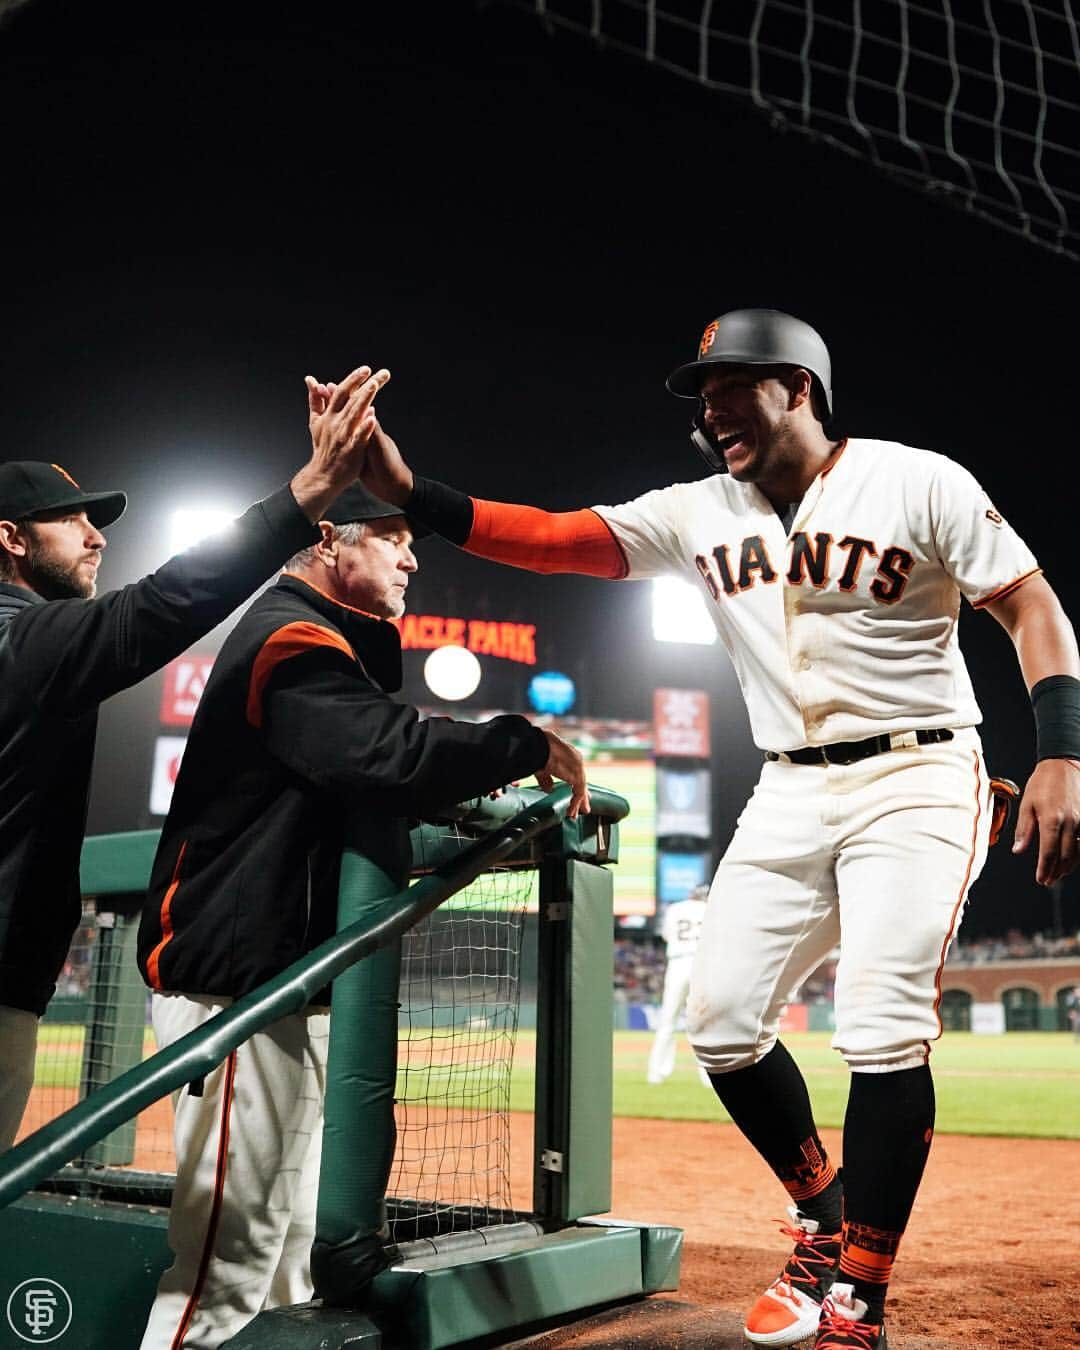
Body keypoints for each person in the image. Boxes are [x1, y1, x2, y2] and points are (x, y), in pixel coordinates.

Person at [346, 307, 1080, 1349]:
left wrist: (1062, 751)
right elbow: (559, 542)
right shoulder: (698, 511)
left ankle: (858, 1298)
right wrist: (415, 495)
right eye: (700, 391)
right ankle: (824, 1219)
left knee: (878, 1027)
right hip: (788, 787)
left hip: (919, 772)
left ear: (799, 387)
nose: (711, 407)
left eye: (730, 386)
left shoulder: (921, 480)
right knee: (723, 1024)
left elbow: (1030, 604)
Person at [134, 467, 587, 1349]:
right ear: (333, 539)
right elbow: (385, 756)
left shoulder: (327, 641)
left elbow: (378, 757)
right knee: (226, 1267)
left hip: (288, 978)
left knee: (297, 1250)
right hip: (235, 989)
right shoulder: (285, 637)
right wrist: (521, 740)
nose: (414, 557)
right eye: (394, 536)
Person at [0, 364, 393, 1154]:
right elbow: (162, 605)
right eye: (67, 520)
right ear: (10, 538)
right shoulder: (24, 639)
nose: (96, 534)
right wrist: (307, 495)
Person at [646, 883, 708, 1085]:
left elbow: (666, 935)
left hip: (678, 962)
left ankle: (656, 1073)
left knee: (667, 1022)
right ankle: (709, 1077)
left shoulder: (675, 908)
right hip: (700, 964)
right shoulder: (710, 908)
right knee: (703, 1023)